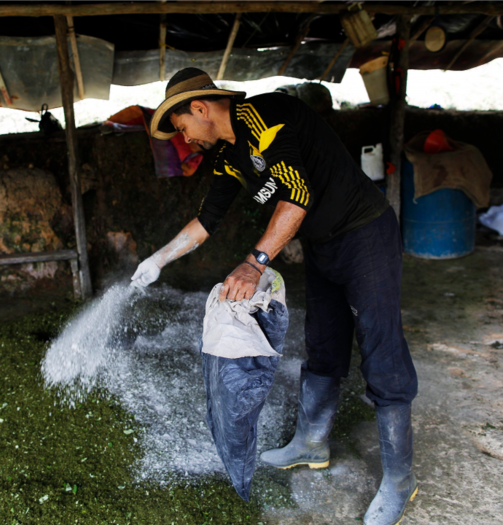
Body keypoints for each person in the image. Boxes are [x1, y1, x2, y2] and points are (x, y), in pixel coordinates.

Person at [131, 68, 418, 525]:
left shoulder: (267, 114)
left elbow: (297, 193)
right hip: (323, 244)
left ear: (200, 109)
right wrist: (159, 260)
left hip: (365, 233)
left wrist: (254, 262)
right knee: (323, 343)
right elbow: (208, 220)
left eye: (182, 128)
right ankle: (312, 443)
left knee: (380, 350)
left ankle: (400, 479)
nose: (184, 141)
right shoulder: (227, 155)